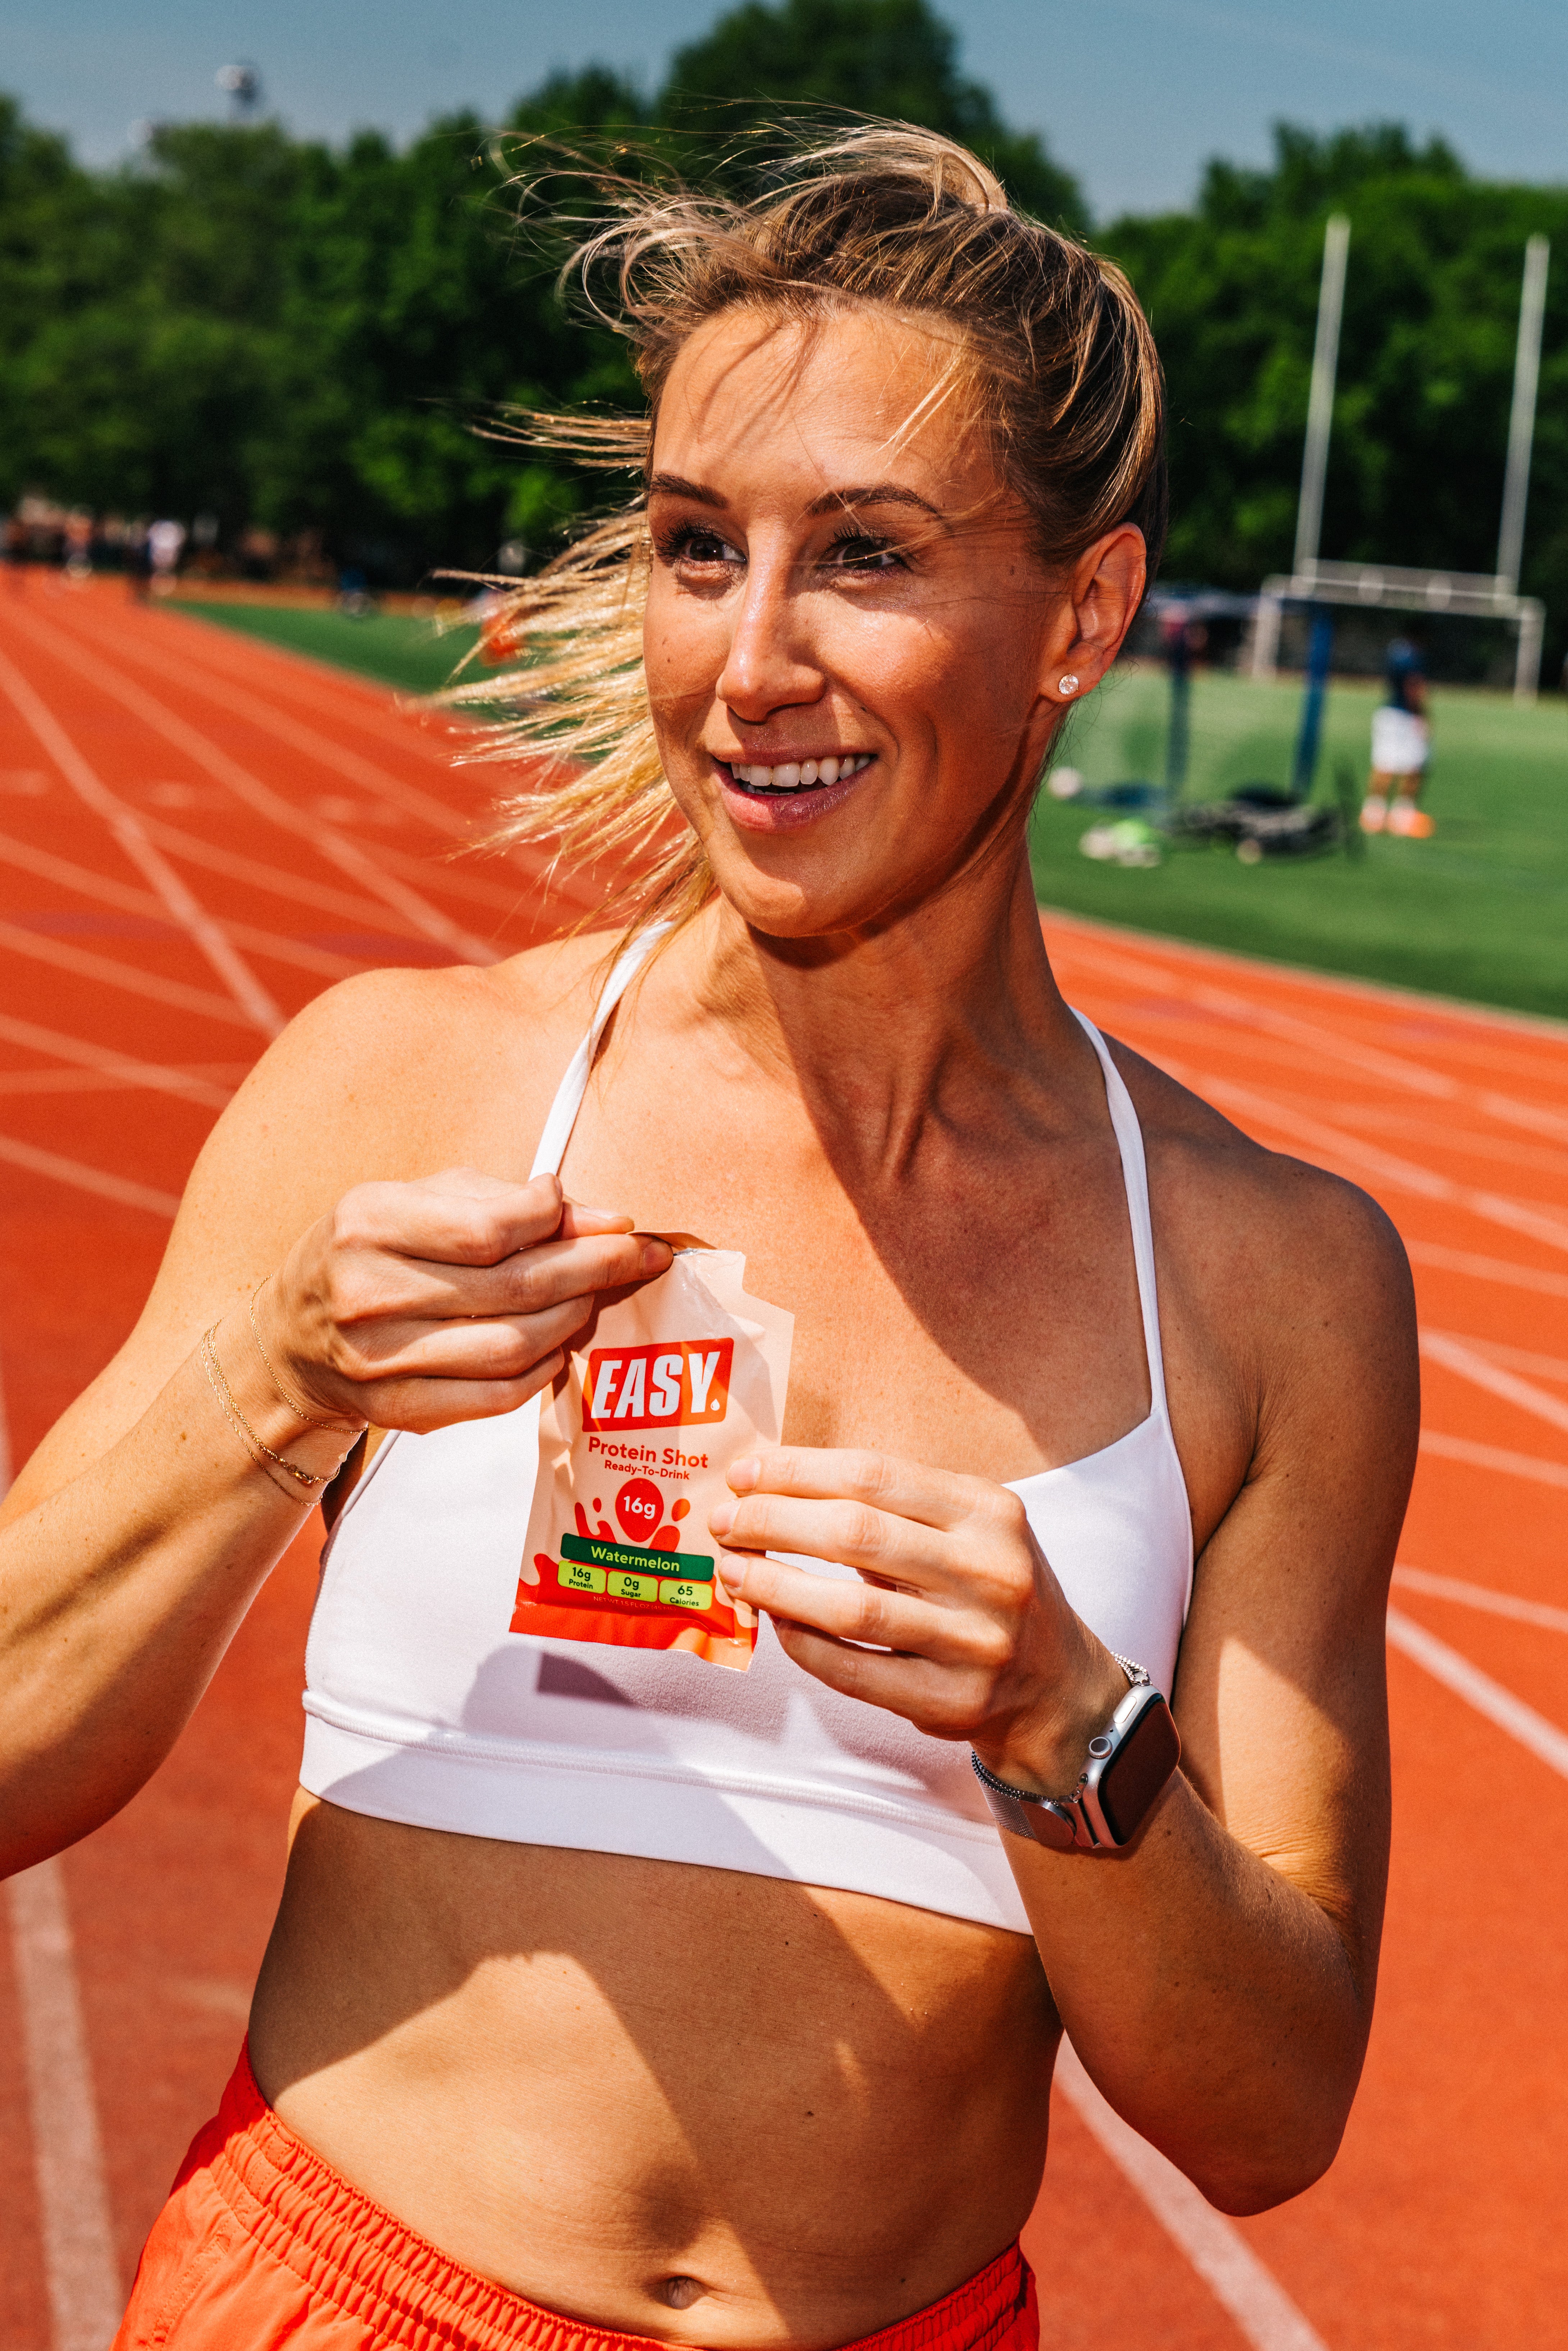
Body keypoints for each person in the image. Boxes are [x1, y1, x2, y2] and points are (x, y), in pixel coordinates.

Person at [0, 126, 1415, 2351]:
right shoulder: (408, 1085)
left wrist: (1065, 1721)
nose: (746, 660)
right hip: (336, 2304)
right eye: (690, 548)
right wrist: (265, 1389)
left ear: (1080, 617)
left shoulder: (1272, 1278)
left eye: (859, 554)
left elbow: (1268, 2110)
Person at [1361, 635, 1433, 836]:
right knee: (1415, 765)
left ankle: (1374, 813)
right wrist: (1423, 715)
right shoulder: (1413, 657)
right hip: (1406, 716)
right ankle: (1402, 816)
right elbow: (1414, 686)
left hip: (1389, 713)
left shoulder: (1395, 651)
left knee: (1385, 763)